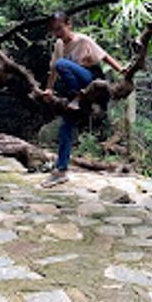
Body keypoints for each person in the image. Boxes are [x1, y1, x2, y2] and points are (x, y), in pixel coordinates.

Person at [39, 11, 124, 187]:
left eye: (60, 29)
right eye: (54, 30)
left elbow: (105, 57)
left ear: (68, 24)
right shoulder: (59, 45)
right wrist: (49, 89)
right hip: (74, 89)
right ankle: (61, 170)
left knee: (62, 64)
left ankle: (77, 97)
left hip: (90, 80)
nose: (57, 33)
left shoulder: (82, 40)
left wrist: (122, 70)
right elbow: (53, 70)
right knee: (65, 127)